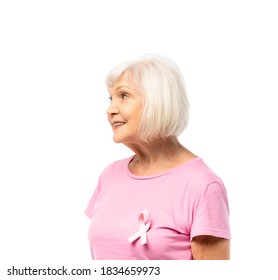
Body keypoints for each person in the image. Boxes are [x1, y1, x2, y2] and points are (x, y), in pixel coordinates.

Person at [84, 54, 231, 260]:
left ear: (157, 101)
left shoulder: (203, 186)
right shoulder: (109, 175)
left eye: (124, 96)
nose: (110, 110)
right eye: (111, 98)